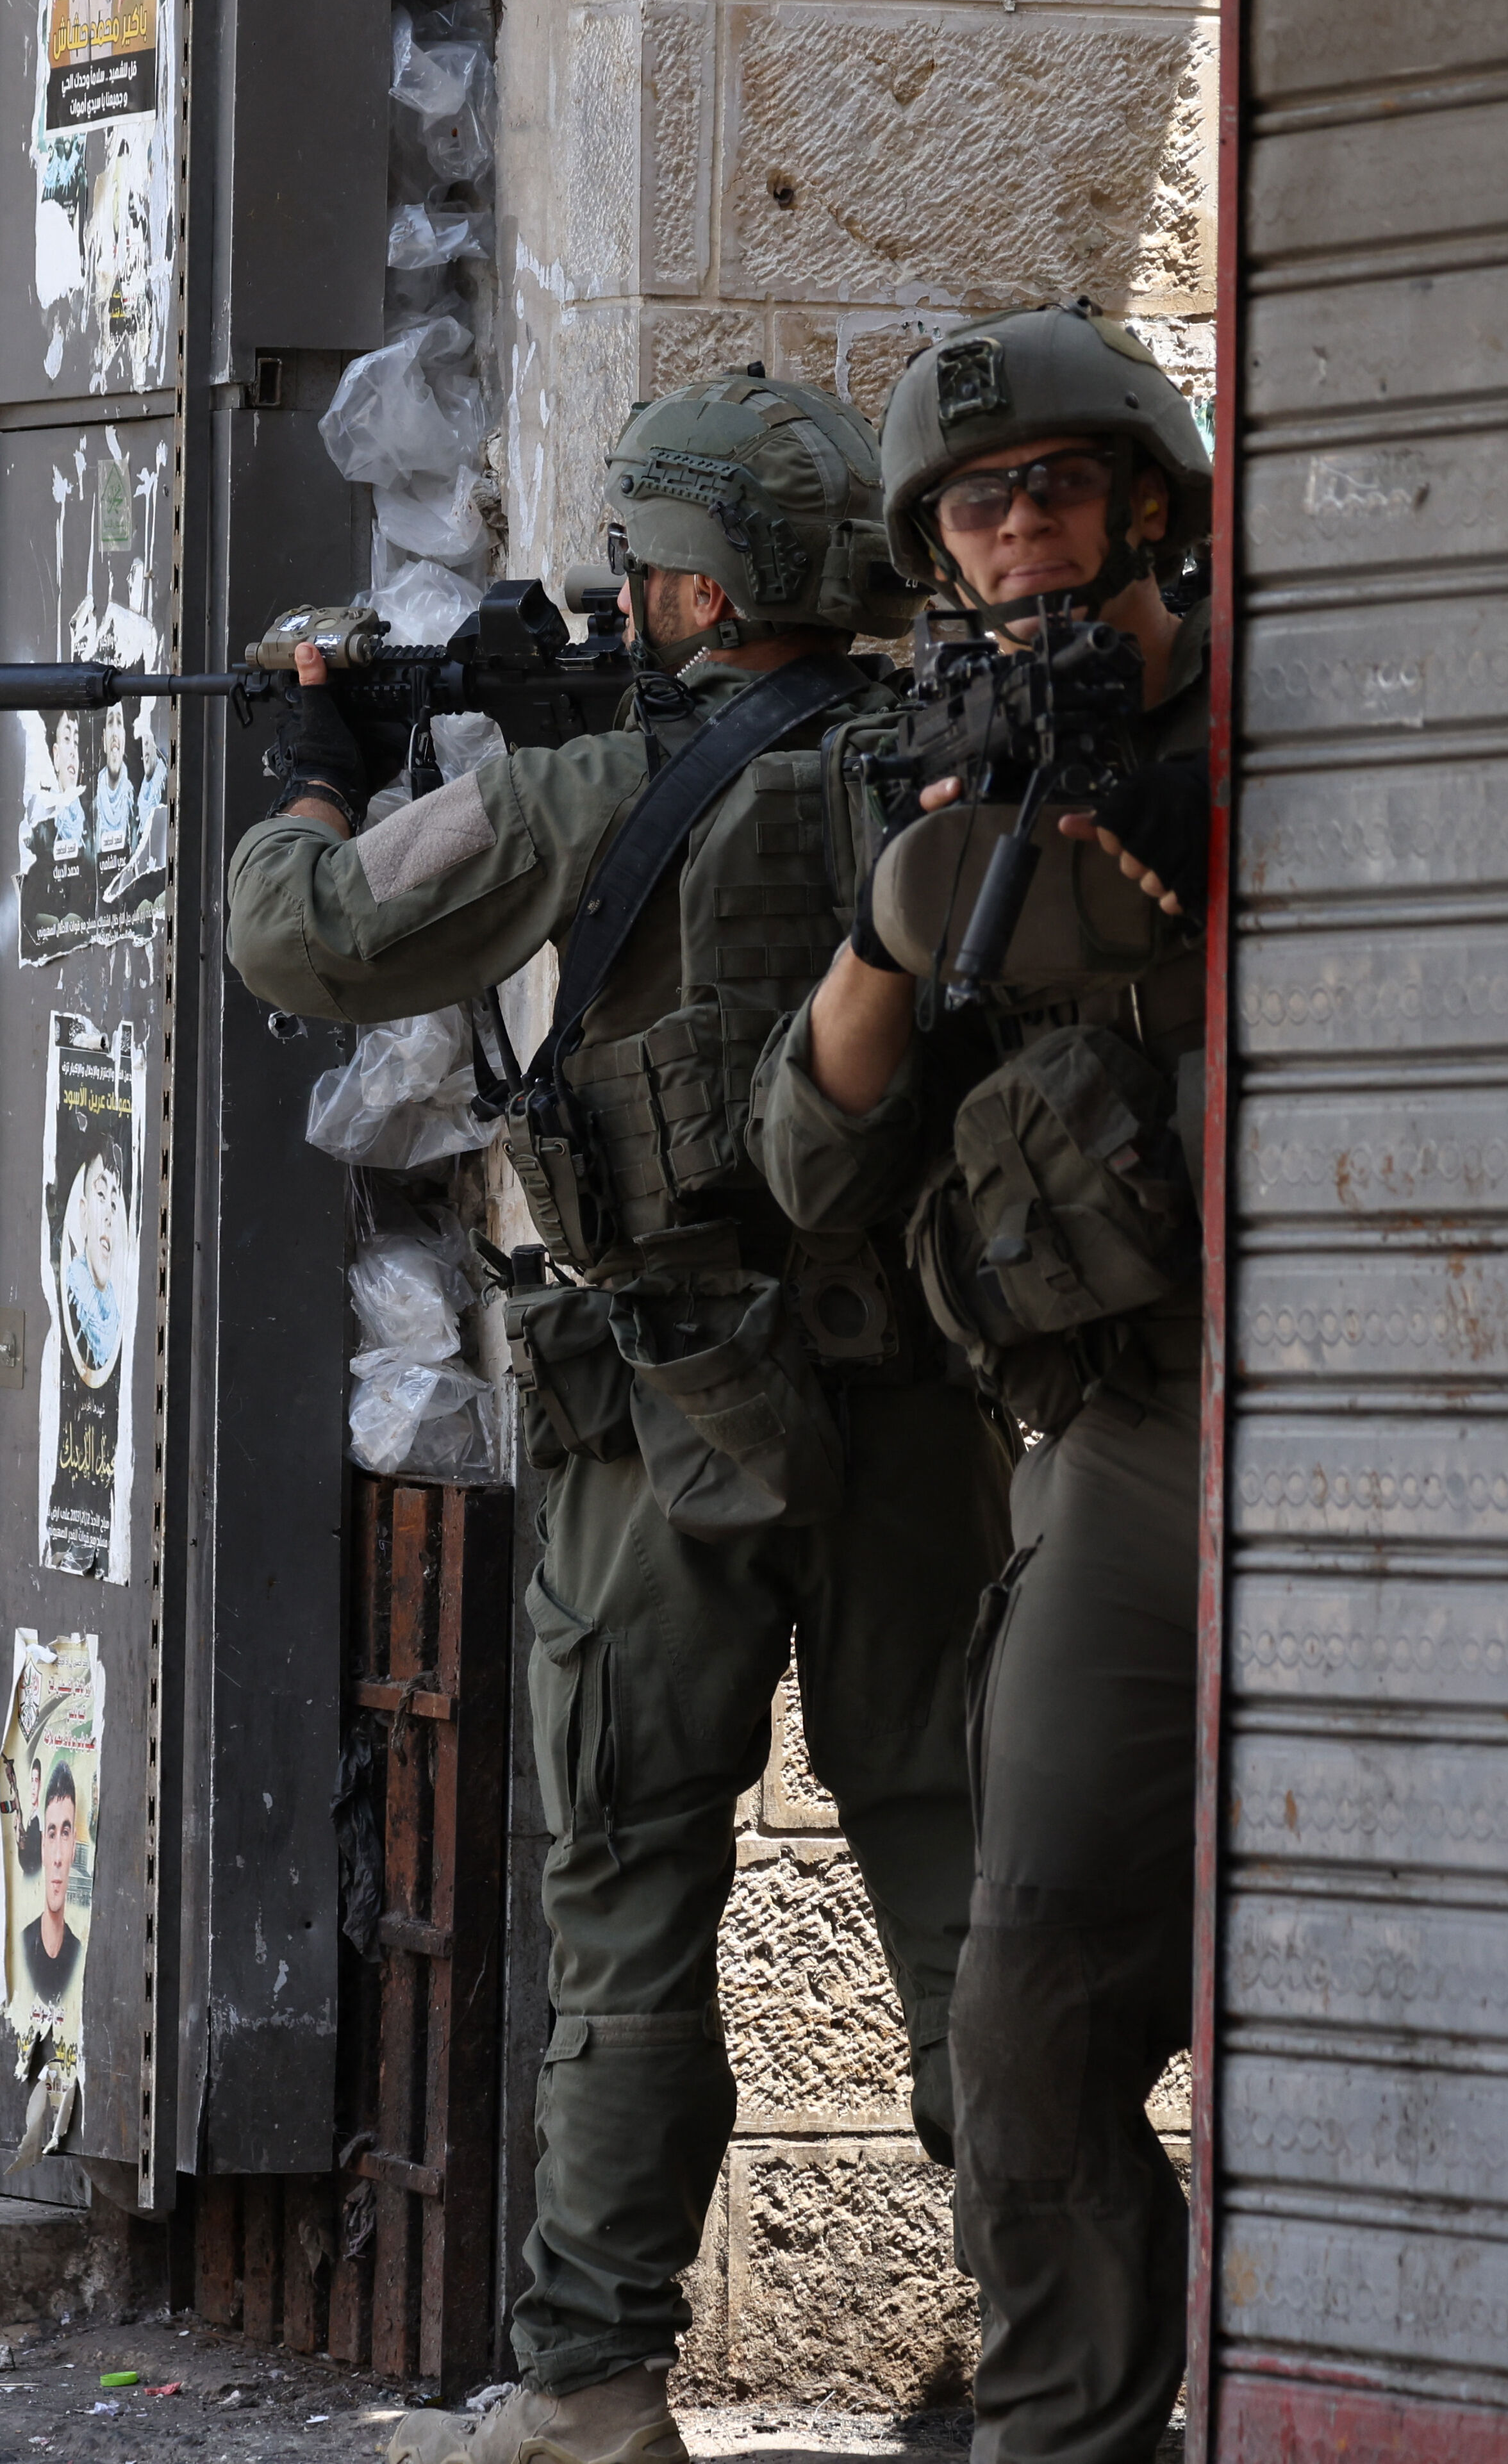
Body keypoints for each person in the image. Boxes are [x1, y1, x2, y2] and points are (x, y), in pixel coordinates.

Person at [228, 373, 1009, 2464]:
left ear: (700, 581)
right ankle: (1062, 2365)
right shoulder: (939, 765)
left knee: (632, 1909)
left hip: (657, 1420)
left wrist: (316, 768)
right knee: (962, 1880)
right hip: (916, 1409)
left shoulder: (578, 797)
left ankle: (587, 2387)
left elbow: (294, 937)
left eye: (648, 561)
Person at [754, 306, 1209, 2464]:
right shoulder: (942, 766)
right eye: (970, 502)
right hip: (1137, 1427)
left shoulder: (1272, 708)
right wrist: (895, 926)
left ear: (1140, 501)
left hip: (1387, 1404)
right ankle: (1065, 2432)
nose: (1015, 527)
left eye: (1051, 484)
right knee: (1025, 1986)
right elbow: (808, 1161)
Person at [21, 1767, 87, 2015]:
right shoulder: (21, 1946)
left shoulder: (80, 1954)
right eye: (52, 1834)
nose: (58, 1856)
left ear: (74, 1848)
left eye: (65, 1833)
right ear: (42, 1847)